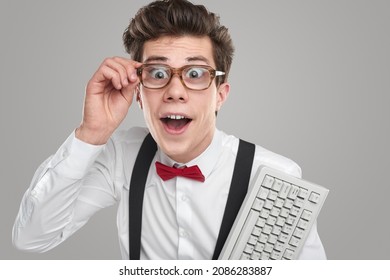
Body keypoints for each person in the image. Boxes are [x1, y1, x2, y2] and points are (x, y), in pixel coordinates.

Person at [12, 0, 326, 260]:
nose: (175, 90)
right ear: (137, 93)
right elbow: (31, 238)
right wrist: (91, 132)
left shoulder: (273, 175)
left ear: (220, 94)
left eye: (195, 72)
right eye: (158, 72)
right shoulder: (122, 155)